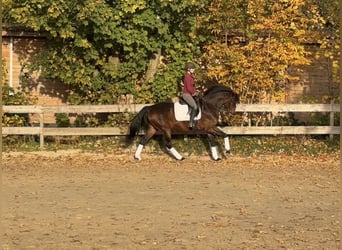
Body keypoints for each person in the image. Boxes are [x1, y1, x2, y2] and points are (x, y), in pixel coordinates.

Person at [182, 62, 199, 129]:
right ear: (188, 69)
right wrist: (194, 92)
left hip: (190, 93)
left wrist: (196, 91)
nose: (194, 69)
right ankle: (190, 123)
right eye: (192, 68)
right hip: (186, 94)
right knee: (194, 106)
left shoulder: (190, 76)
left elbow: (192, 87)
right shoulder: (187, 77)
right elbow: (189, 88)